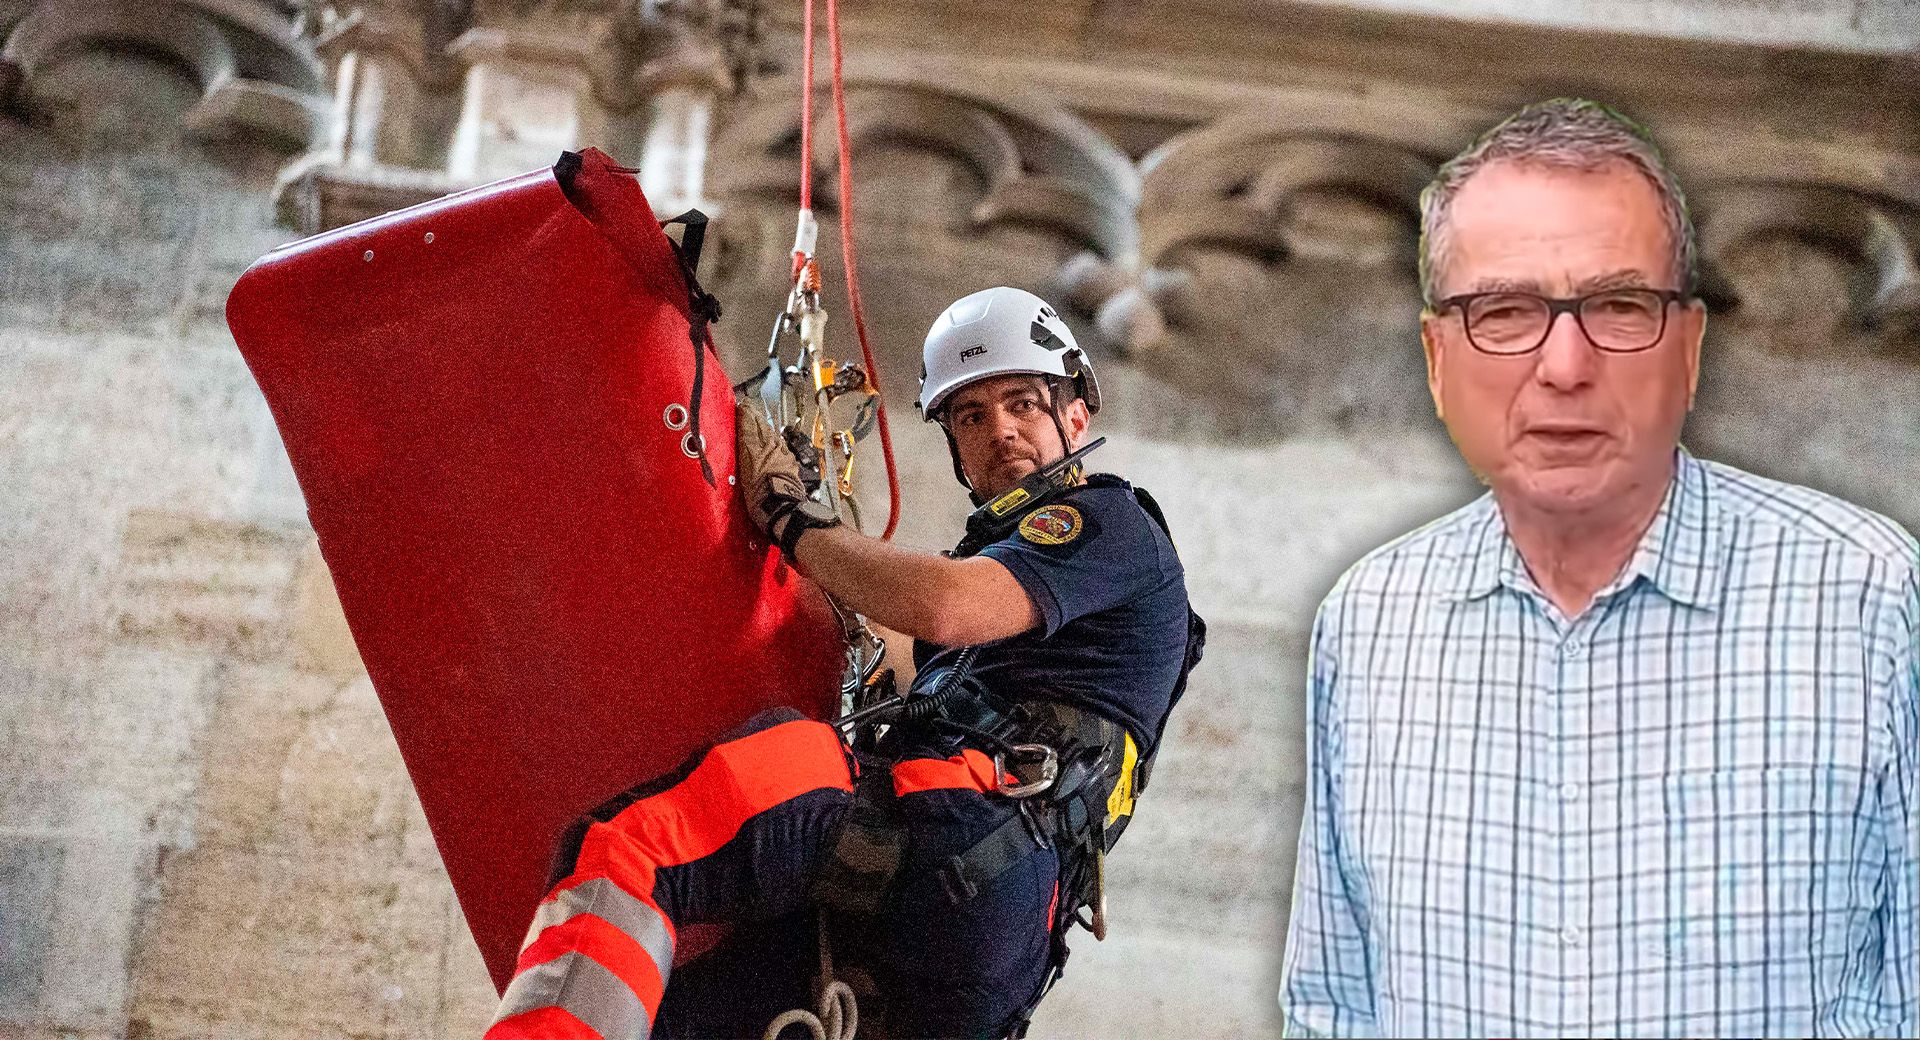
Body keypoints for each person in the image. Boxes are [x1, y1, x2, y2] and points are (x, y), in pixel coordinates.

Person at [1279, 98, 1919, 1038]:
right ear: (1438, 359)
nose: (1565, 365)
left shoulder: (1873, 599)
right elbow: (1334, 1009)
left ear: (1689, 348)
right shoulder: (1372, 618)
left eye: (1620, 306)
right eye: (1505, 312)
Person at [487, 286, 1202, 1040]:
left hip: (955, 825)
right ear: (954, 443)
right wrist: (810, 551)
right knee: (680, 1019)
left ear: (1076, 414)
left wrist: (797, 523)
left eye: (1024, 403)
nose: (1001, 430)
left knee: (631, 846)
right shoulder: (1015, 591)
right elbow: (886, 646)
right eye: (970, 415)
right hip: (982, 940)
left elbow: (947, 606)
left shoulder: (1106, 525)